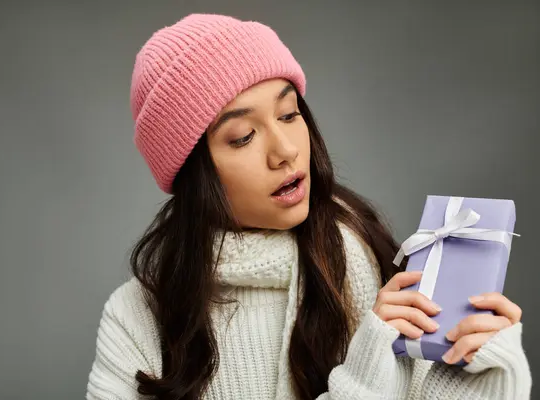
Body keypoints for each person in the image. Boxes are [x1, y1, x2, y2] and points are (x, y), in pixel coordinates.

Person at [86, 13, 531, 400]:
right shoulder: (137, 315)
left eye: (288, 113)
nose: (285, 151)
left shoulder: (369, 262)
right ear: (192, 172)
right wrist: (364, 376)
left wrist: (487, 368)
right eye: (243, 136)